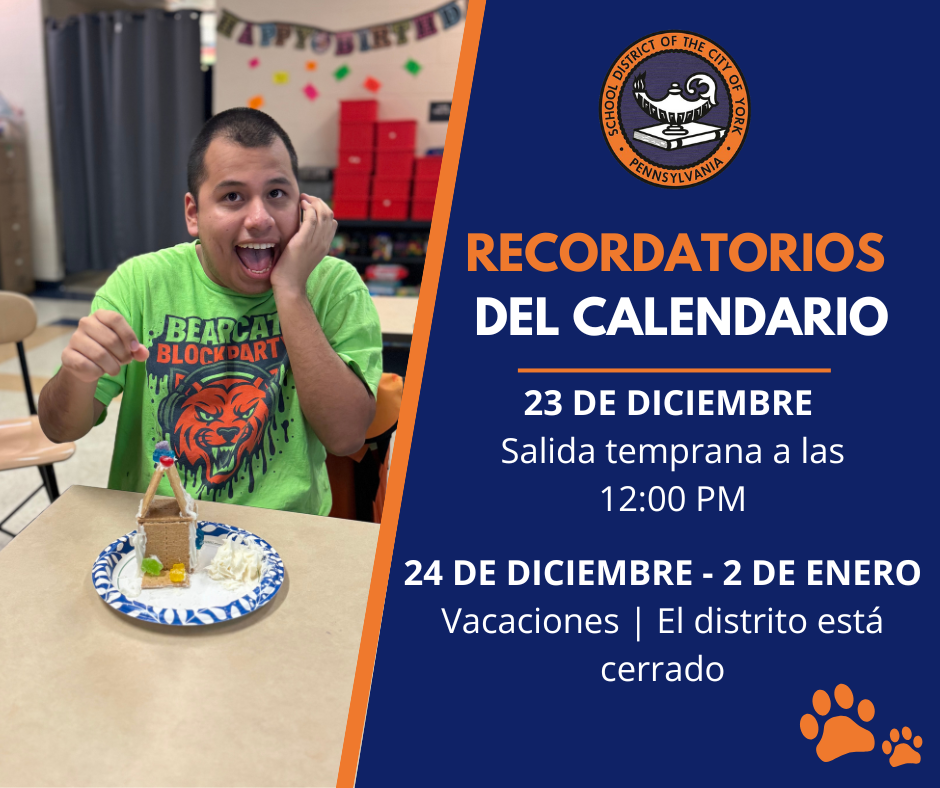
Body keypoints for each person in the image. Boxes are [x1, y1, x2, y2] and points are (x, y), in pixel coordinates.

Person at [38, 108, 382, 515]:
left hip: (287, 530)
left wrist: (290, 290)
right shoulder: (140, 284)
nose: (260, 219)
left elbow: (346, 438)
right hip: (160, 522)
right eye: (232, 196)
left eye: (277, 194)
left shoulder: (334, 285)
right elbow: (59, 428)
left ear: (305, 208)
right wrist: (77, 375)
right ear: (193, 213)